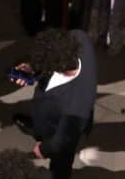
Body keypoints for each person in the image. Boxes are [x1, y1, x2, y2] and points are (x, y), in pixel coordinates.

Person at [26, 26, 97, 179]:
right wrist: (32, 70)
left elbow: (59, 142)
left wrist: (43, 149)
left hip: (59, 128)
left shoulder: (74, 108)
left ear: (58, 68)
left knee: (61, 163)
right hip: (66, 114)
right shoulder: (79, 38)